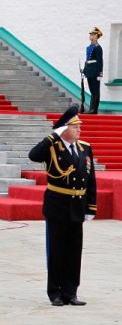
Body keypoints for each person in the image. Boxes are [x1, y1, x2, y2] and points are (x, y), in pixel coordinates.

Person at [28, 104, 96, 306]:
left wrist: (90, 207)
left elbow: (91, 179)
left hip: (77, 205)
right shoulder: (52, 147)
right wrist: (53, 136)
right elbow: (33, 155)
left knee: (74, 251)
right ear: (64, 129)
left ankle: (71, 291)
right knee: (57, 251)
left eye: (79, 127)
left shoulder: (85, 147)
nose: (79, 130)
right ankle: (55, 292)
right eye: (75, 127)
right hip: (58, 205)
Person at [83, 27, 103, 114]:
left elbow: (100, 61)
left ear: (96, 36)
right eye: (90, 35)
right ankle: (91, 108)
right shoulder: (89, 47)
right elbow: (87, 59)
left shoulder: (98, 48)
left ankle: (94, 109)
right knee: (92, 90)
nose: (91, 36)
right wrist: (84, 70)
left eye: (93, 35)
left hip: (95, 70)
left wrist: (100, 72)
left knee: (96, 90)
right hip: (89, 70)